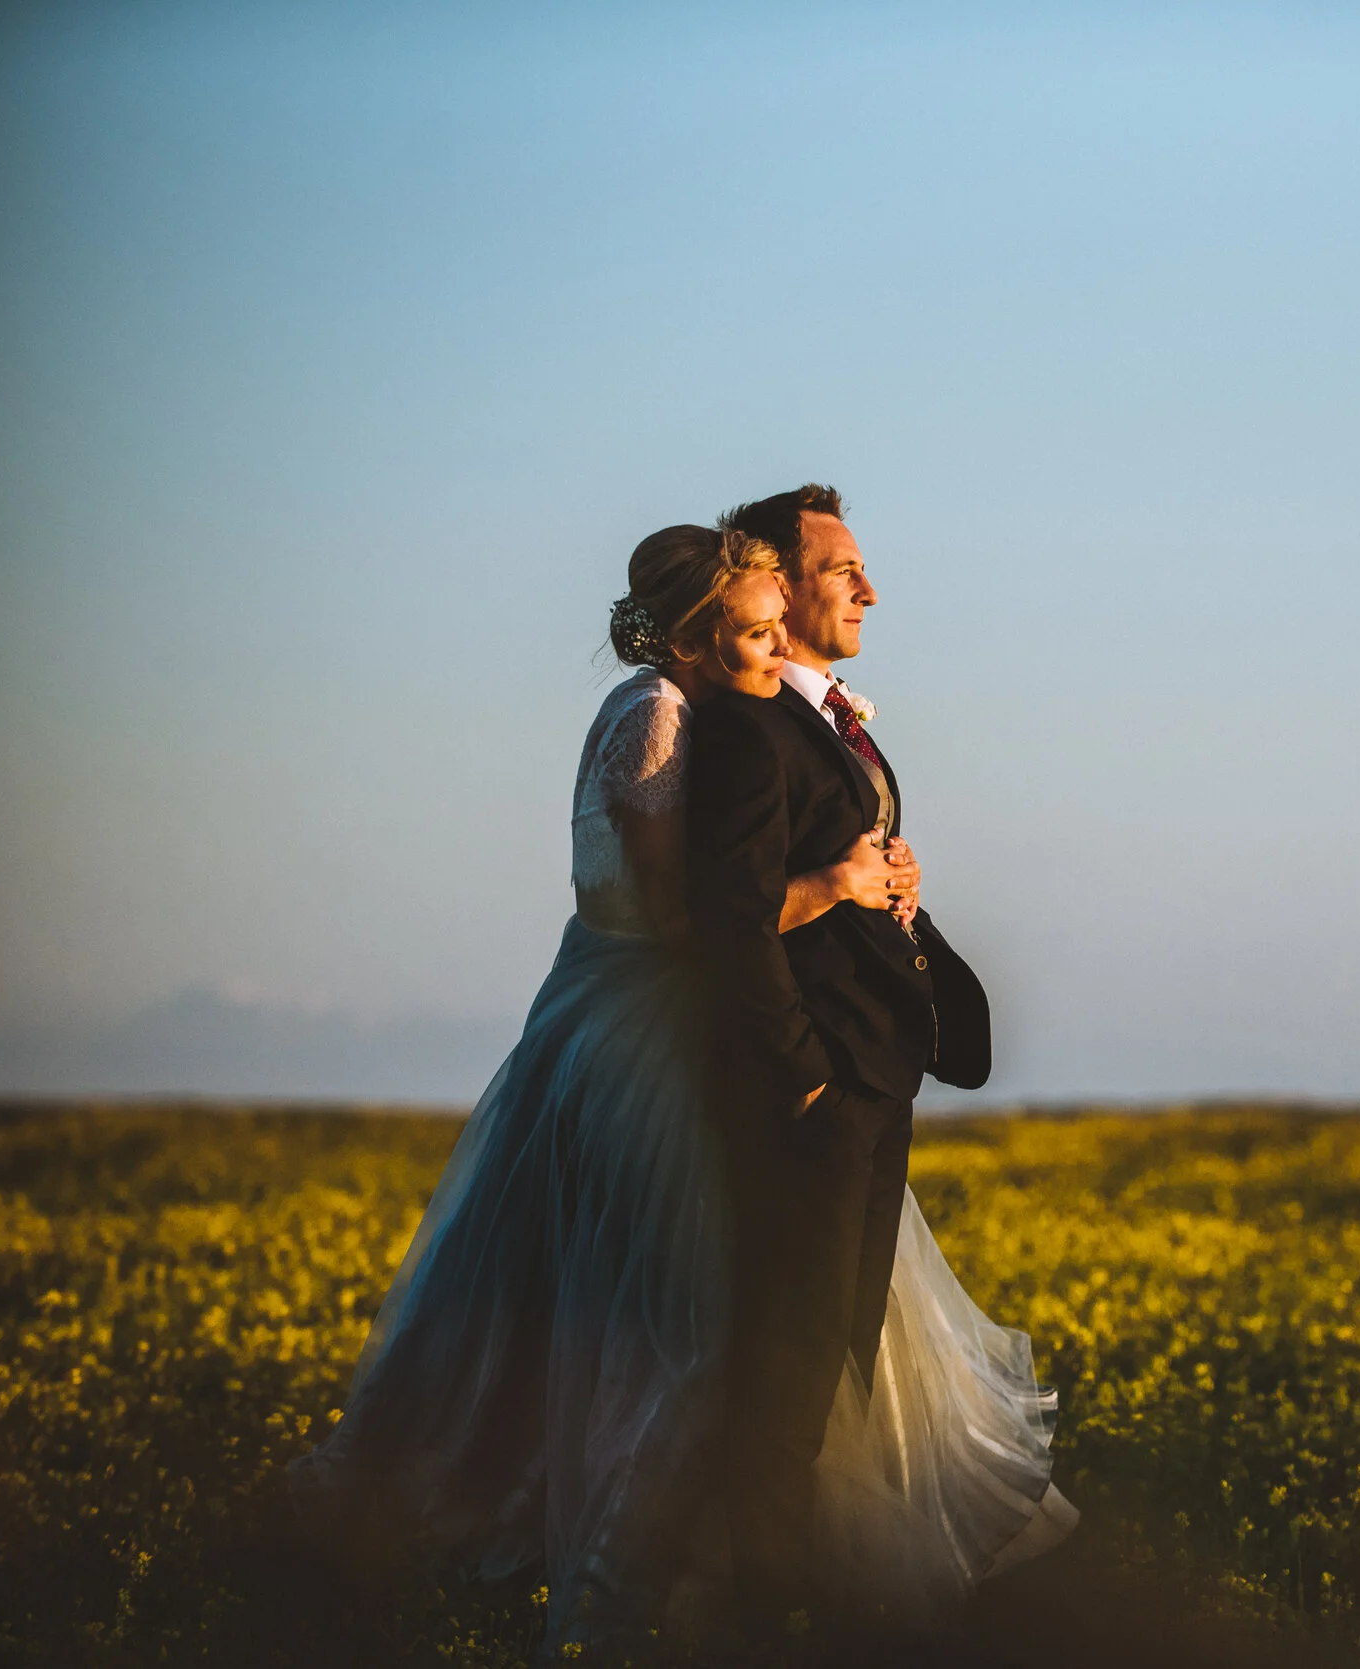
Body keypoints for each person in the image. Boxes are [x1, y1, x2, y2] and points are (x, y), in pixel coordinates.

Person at [298, 519, 1067, 1658]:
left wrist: (868, 875)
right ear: (696, 637)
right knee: (692, 1334)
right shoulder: (656, 718)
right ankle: (607, 1613)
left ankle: (671, 1593)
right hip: (647, 1038)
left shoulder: (695, 712)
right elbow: (688, 924)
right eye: (753, 636)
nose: (772, 656)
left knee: (679, 1332)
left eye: (772, 635)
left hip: (653, 1027)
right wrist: (838, 880)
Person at [686, 486, 1074, 1624]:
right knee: (789, 1369)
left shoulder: (830, 724)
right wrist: (799, 1068)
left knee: (836, 1357)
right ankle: (759, 1611)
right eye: (839, 567)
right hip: (815, 1087)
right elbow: (729, 913)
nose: (867, 586)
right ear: (775, 584)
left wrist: (897, 886)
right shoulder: (748, 727)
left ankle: (801, 1599)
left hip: (871, 1075)